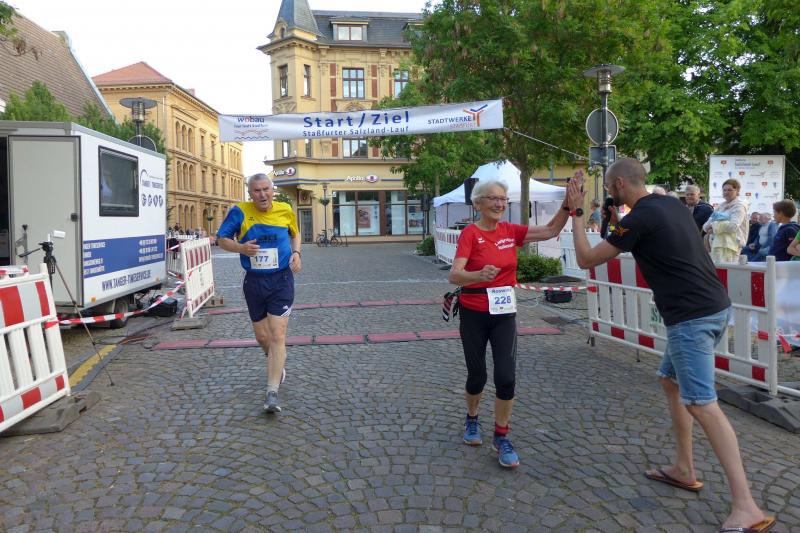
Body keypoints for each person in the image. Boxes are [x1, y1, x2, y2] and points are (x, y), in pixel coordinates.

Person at [567, 158, 774, 533]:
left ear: (618, 185)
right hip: (714, 307)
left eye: (609, 186)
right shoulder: (670, 205)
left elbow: (585, 258)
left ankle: (747, 506)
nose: (609, 191)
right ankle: (683, 468)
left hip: (690, 317)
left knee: (702, 403)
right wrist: (616, 219)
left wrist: (578, 213)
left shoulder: (638, 219)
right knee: (671, 381)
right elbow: (644, 235)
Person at [447, 172, 581, 468]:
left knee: (506, 377)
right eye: (493, 199)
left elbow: (549, 230)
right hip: (473, 311)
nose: (499, 204)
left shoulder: (510, 231)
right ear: (478, 203)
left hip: (504, 313)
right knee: (477, 375)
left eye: (503, 199)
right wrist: (477, 275)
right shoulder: (470, 234)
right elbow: (454, 275)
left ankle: (501, 435)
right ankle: (472, 418)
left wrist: (567, 205)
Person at [217, 173, 302, 413]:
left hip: (281, 280)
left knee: (277, 334)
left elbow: (295, 233)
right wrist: (241, 247)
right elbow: (221, 239)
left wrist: (297, 253)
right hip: (254, 282)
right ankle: (275, 359)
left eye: (266, 189)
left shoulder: (285, 209)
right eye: (257, 190)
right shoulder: (240, 212)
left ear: (272, 190)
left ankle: (271, 392)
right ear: (250, 193)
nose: (263, 194)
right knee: (263, 337)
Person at [702, 179, 748, 263]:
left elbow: (733, 226)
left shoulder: (739, 206)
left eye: (730, 190)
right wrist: (711, 227)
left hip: (731, 246)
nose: (726, 192)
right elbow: (705, 226)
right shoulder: (720, 206)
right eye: (724, 190)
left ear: (737, 191)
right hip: (715, 244)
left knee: (729, 270)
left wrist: (714, 227)